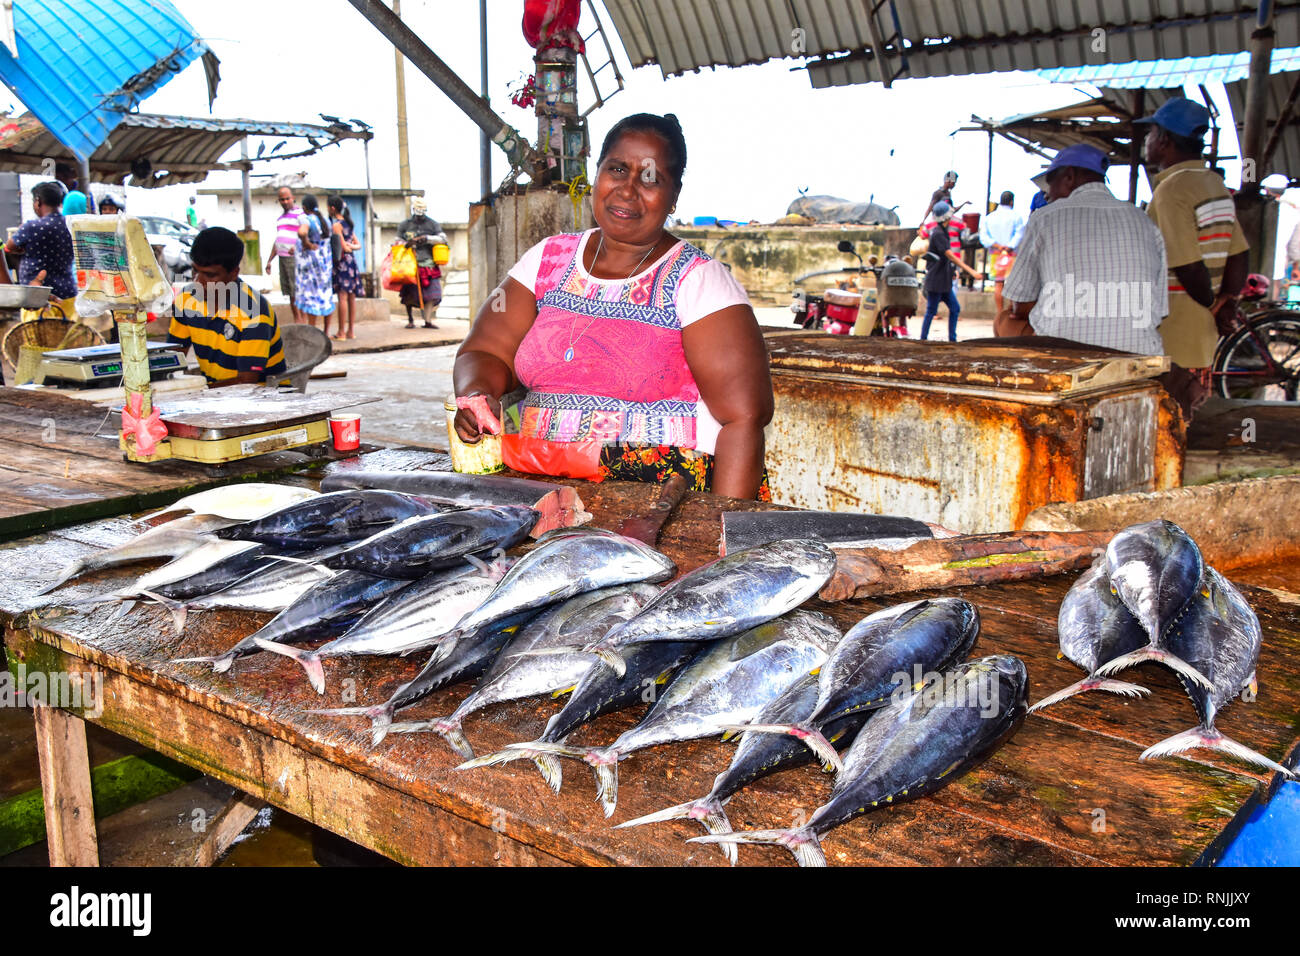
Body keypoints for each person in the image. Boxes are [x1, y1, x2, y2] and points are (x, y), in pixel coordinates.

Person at [452, 112, 774, 500]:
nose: (628, 189)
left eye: (651, 178)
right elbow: (486, 349)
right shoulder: (548, 259)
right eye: (617, 169)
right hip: (539, 490)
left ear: (674, 197)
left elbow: (744, 419)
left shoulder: (701, 280)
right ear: (597, 174)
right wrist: (478, 393)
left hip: (659, 505)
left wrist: (717, 530)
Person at [997, 144, 1168, 355]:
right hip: (1139, 352)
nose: (1048, 195)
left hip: (1065, 352)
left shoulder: (1045, 217)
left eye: (1050, 185)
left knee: (1003, 320)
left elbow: (1019, 305)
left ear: (1069, 176)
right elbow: (1160, 310)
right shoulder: (1144, 220)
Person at [1138, 97, 1249, 373]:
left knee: (1168, 414)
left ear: (1164, 140)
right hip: (1201, 337)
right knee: (1191, 412)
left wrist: (1213, 306)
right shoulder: (1213, 183)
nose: (1146, 141)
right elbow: (1239, 253)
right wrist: (1228, 304)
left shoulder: (1171, 191)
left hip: (1173, 336)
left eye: (1150, 134)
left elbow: (1187, 265)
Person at [168, 227, 287, 387]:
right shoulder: (186, 300)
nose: (199, 281)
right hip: (214, 396)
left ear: (233, 273)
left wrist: (198, 392)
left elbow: (247, 382)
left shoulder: (254, 310)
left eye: (210, 275)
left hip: (266, 400)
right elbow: (172, 360)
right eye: (196, 271)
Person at [1, 181, 77, 318]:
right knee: (68, 336)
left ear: (38, 201)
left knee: (38, 337)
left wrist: (22, 248)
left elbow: (9, 247)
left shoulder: (32, 226)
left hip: (37, 298)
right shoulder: (70, 224)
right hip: (68, 293)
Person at [920, 200, 981, 341]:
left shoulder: (942, 232)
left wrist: (953, 271)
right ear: (946, 217)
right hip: (936, 280)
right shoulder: (938, 234)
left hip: (944, 279)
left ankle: (952, 339)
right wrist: (971, 272)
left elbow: (947, 259)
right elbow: (950, 256)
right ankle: (923, 339)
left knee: (954, 308)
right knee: (931, 311)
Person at [396, 197, 443, 328]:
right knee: (409, 294)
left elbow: (442, 238)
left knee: (432, 293)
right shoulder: (405, 225)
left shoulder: (432, 224)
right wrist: (407, 244)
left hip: (428, 264)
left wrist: (427, 238)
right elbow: (396, 241)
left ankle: (427, 321)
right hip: (409, 264)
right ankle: (410, 320)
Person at [979, 190, 1025, 316]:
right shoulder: (1016, 216)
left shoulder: (989, 217)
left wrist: (998, 246)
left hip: (995, 253)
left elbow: (984, 237)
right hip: (1011, 254)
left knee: (998, 283)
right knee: (1012, 282)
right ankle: (1012, 311)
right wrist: (1009, 247)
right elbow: (1019, 234)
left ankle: (999, 313)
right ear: (1012, 202)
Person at [294, 193, 335, 332]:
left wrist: (307, 244)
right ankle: (326, 332)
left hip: (312, 267)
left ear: (304, 207)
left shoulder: (307, 219)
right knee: (326, 297)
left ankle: (312, 332)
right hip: (326, 265)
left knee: (312, 298)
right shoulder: (326, 221)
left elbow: (302, 232)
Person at [265, 186, 303, 325]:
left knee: (296, 291)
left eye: (287, 198)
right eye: (282, 199)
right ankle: (297, 319)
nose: (285, 201)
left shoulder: (300, 214)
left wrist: (298, 246)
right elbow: (278, 240)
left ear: (292, 198)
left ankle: (301, 321)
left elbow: (308, 235)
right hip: (283, 258)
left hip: (295, 259)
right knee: (289, 292)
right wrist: (269, 261)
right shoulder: (280, 219)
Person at [328, 195, 363, 340]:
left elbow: (343, 247)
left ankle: (341, 332)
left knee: (342, 297)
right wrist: (351, 246)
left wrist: (348, 246)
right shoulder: (349, 223)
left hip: (341, 263)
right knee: (351, 298)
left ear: (332, 208)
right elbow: (358, 245)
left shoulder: (337, 225)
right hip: (352, 263)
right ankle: (350, 331)